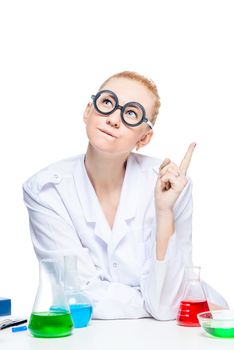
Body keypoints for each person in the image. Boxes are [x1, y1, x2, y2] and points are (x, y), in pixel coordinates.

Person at [23, 71, 228, 320]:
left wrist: (164, 212)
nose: (113, 119)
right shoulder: (45, 190)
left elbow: (165, 307)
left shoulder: (172, 185)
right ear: (88, 111)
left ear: (144, 137)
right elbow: (74, 295)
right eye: (107, 103)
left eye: (131, 113)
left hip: (181, 332)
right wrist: (148, 302)